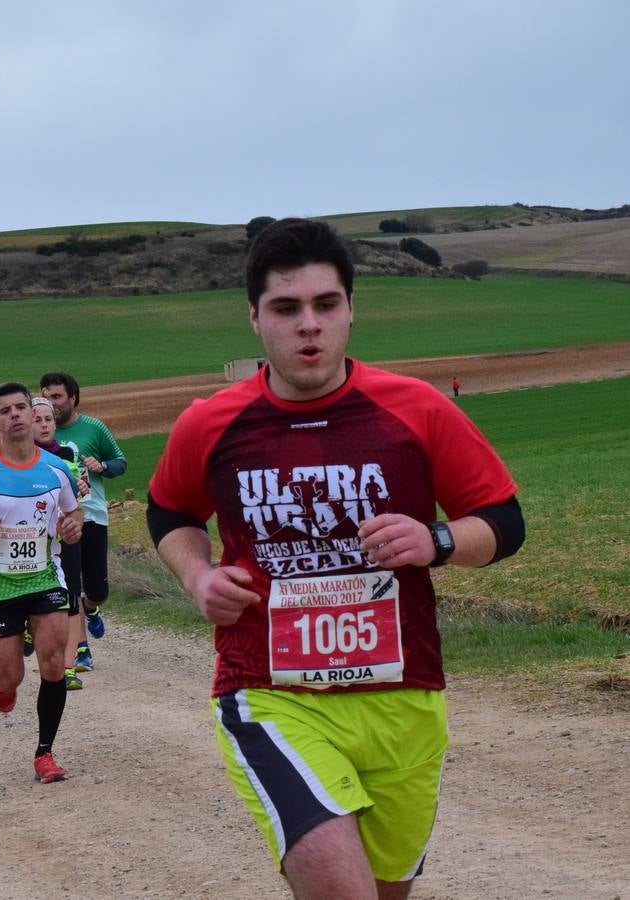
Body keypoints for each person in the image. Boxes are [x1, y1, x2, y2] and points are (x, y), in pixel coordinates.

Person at [147, 218, 525, 898]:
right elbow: (170, 511)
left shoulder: (418, 409)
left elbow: (504, 520)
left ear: (351, 311)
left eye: (326, 305)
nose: (308, 326)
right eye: (287, 308)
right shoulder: (211, 423)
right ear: (255, 319)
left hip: (405, 701)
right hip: (269, 692)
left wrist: (436, 540)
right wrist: (196, 574)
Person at [0, 383, 84, 783]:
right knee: (11, 679)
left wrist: (73, 529)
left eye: (21, 407)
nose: (16, 414)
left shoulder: (57, 469)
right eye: (5, 411)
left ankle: (45, 754)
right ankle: (1, 684)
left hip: (46, 579)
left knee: (53, 663)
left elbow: (73, 520)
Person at [39, 371, 126, 673]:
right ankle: (81, 650)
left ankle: (92, 607)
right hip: (58, 522)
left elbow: (120, 462)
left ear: (72, 398)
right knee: (70, 583)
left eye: (57, 397)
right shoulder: (39, 434)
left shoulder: (93, 428)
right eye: (47, 397)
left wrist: (101, 466)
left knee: (97, 587)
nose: (52, 404)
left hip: (93, 515)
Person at [30, 397, 89, 690]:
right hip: (32, 541)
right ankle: (29, 633)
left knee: (71, 595)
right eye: (37, 419)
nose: (43, 425)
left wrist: (82, 486)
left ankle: (68, 668)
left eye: (48, 419)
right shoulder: (21, 459)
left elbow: (81, 492)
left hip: (66, 534)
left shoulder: (66, 454)